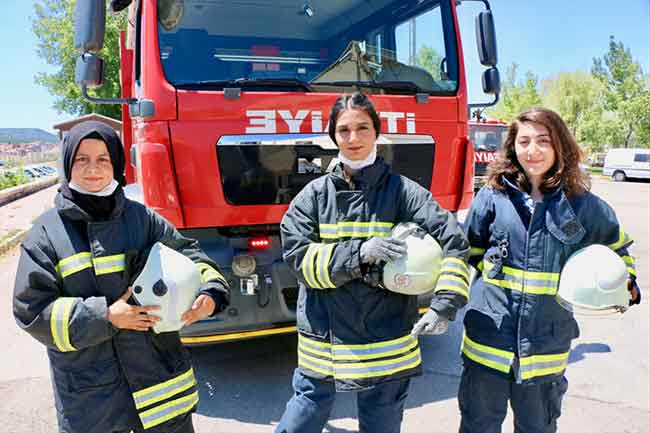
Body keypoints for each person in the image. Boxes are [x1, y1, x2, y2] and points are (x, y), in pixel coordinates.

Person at [13, 121, 230, 433]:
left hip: (162, 393)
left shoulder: (142, 219)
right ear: (66, 164)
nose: (93, 169)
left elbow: (191, 256)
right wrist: (105, 317)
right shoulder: (45, 234)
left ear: (116, 163)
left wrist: (210, 294)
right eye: (81, 159)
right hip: (93, 405)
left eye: (103, 159)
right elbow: (31, 311)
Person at [276, 92, 471, 433]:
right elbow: (298, 259)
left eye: (362, 128)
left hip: (387, 340)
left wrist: (444, 306)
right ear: (333, 136)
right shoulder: (313, 196)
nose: (353, 138)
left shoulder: (404, 192)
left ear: (377, 132)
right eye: (344, 130)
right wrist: (359, 254)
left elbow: (455, 242)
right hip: (325, 340)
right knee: (301, 419)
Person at [459, 107, 641, 433]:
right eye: (524, 141)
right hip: (487, 345)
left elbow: (619, 253)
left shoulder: (584, 206)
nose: (533, 150)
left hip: (545, 352)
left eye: (543, 140)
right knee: (478, 427)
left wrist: (627, 287)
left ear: (559, 145)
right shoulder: (491, 198)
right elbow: (464, 254)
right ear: (512, 147)